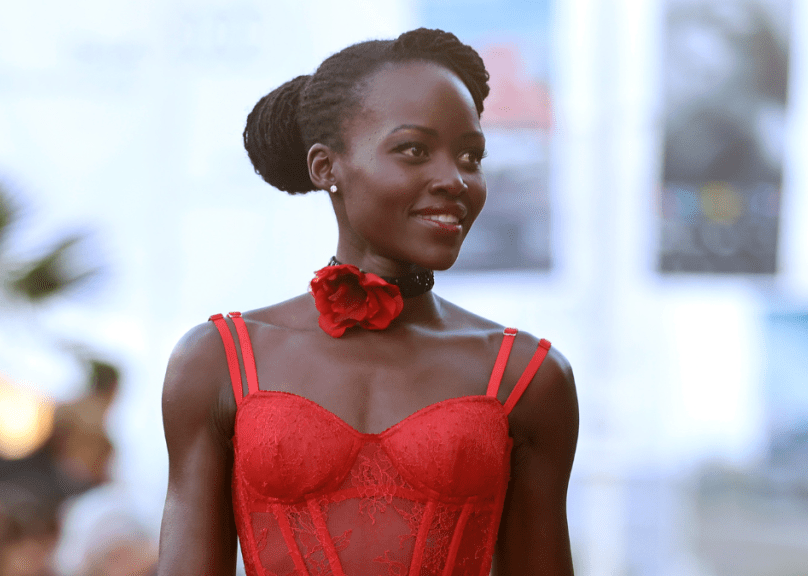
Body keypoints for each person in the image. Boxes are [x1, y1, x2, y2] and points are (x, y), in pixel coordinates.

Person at [158, 28, 578, 576]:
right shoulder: (216, 361)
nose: (454, 180)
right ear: (325, 167)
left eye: (471, 156)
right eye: (414, 150)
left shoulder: (530, 376)